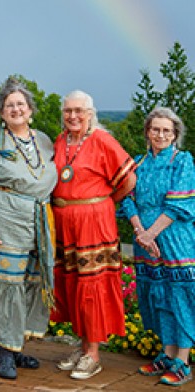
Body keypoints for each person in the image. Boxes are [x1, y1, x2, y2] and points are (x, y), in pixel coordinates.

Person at [0, 78, 57, 380]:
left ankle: (15, 346)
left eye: (21, 104)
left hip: (37, 221)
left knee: (30, 283)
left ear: (31, 110)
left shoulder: (44, 140)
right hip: (3, 219)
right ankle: (3, 351)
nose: (16, 109)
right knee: (7, 283)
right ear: (2, 113)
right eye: (9, 105)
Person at [51, 90, 136, 380]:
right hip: (65, 224)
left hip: (93, 224)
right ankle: (83, 344)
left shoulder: (102, 140)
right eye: (67, 111)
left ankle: (93, 354)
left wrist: (104, 202)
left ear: (90, 113)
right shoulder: (61, 140)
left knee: (92, 286)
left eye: (79, 111)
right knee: (73, 283)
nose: (72, 116)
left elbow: (129, 179)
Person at [120, 107, 195, 386]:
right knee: (158, 295)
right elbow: (127, 199)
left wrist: (150, 234)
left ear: (175, 135)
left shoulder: (182, 162)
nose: (160, 134)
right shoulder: (138, 163)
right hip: (145, 241)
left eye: (166, 130)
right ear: (147, 132)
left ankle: (182, 361)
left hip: (175, 240)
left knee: (180, 296)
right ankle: (166, 353)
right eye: (155, 129)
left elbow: (178, 204)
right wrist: (141, 232)